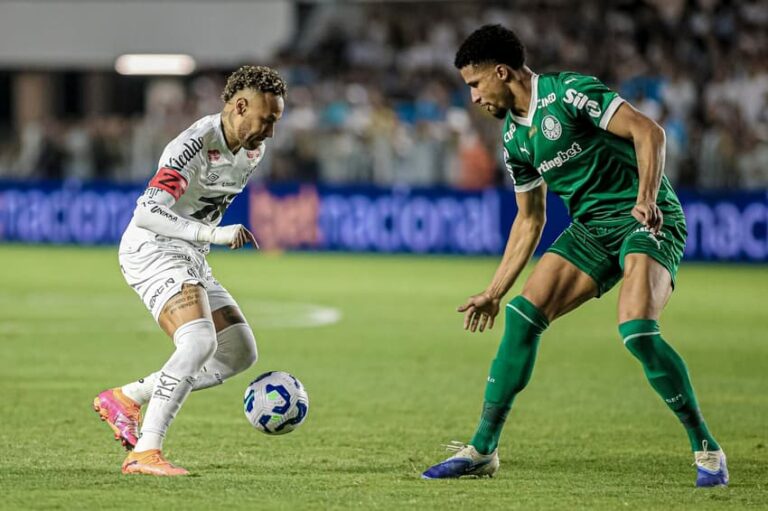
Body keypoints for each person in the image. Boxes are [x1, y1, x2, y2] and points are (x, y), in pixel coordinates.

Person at [421, 25, 727, 487]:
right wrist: (493, 292)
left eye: (475, 84)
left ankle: (707, 449)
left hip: (646, 219)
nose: (474, 97)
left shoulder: (569, 93)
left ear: (502, 73)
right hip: (591, 231)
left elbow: (650, 132)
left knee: (637, 330)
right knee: (523, 315)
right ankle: (483, 449)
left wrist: (646, 197)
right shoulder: (514, 140)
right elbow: (529, 220)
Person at [92, 65, 285, 476]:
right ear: (239, 106)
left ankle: (128, 396)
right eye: (266, 120)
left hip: (189, 254)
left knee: (239, 352)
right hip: (153, 248)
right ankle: (145, 452)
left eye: (275, 122)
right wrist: (211, 235)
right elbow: (147, 211)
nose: (270, 132)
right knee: (198, 343)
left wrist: (201, 240)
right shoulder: (194, 144)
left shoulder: (253, 150)